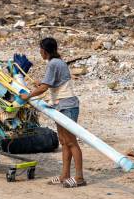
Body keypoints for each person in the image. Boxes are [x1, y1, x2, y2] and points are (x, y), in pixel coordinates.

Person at [19, 37, 85, 188]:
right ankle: (64, 175)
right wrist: (40, 84)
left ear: (44, 50)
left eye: (40, 49)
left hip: (67, 105)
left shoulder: (53, 63)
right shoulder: (56, 63)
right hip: (60, 106)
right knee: (63, 141)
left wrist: (27, 95)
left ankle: (79, 177)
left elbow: (44, 88)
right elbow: (48, 84)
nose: (40, 52)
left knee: (71, 142)